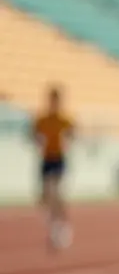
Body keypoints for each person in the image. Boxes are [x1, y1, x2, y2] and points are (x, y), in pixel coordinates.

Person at [30, 84, 75, 252]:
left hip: (58, 159)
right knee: (44, 198)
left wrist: (67, 139)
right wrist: (37, 139)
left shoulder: (64, 119)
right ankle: (56, 226)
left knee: (54, 191)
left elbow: (73, 134)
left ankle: (61, 228)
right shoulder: (42, 119)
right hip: (46, 159)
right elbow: (33, 135)